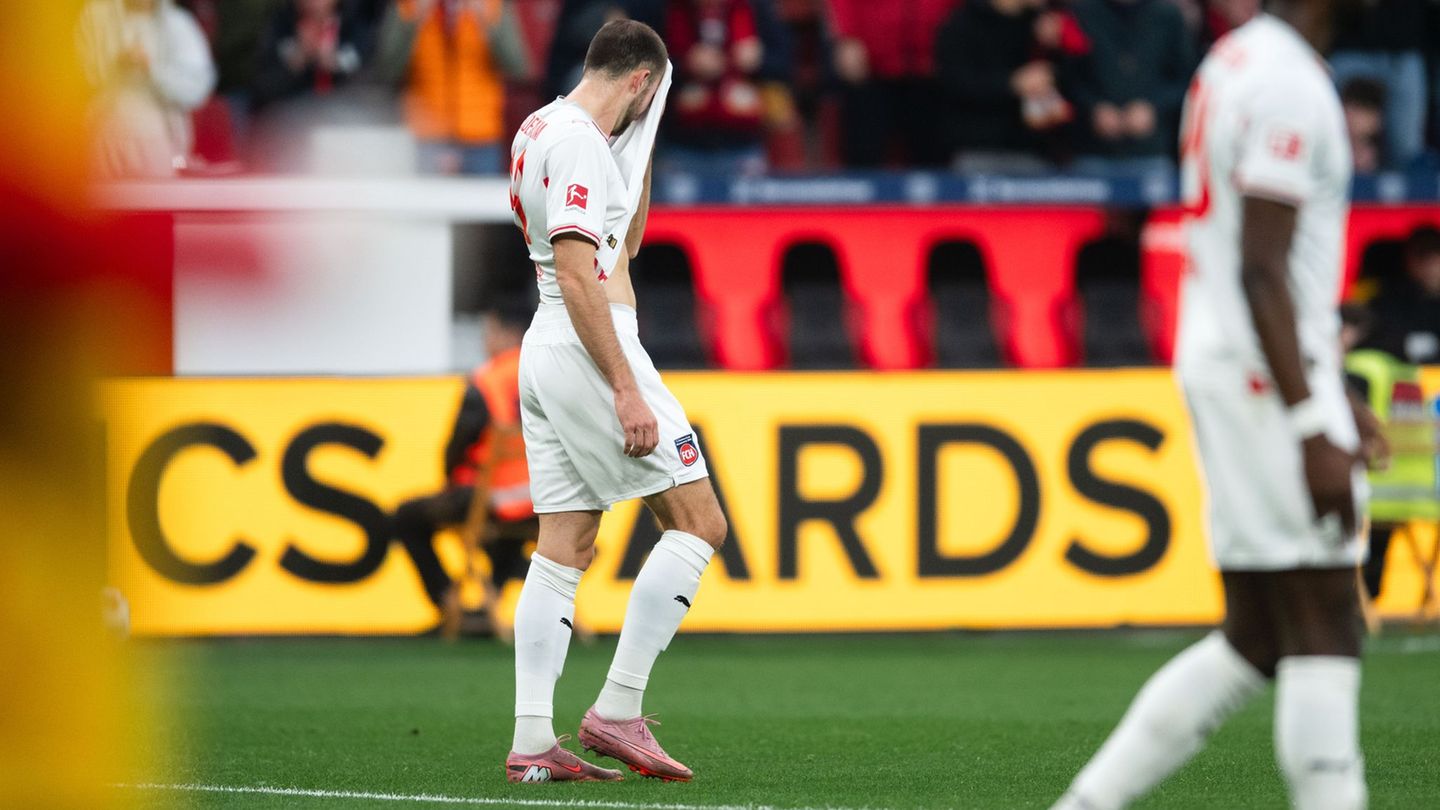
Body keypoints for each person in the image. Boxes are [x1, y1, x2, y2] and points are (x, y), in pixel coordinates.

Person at [1052, 1, 1379, 807]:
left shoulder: (1233, 62)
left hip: (1234, 361)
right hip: (1265, 380)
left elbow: (1258, 259)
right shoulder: (1288, 83)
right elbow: (1261, 267)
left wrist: (1330, 388)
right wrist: (1312, 419)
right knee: (1329, 619)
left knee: (1256, 635)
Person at [503, 19, 727, 784]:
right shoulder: (578, 144)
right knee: (700, 522)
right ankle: (618, 709)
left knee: (564, 544)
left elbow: (621, 243)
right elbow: (580, 272)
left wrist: (644, 141)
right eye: (651, 99)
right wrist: (626, 386)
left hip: (548, 345)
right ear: (640, 82)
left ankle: (533, 740)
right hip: (589, 344)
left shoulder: (543, 127)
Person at [389, 304, 537, 638]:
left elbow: (459, 441)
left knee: (406, 517)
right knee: (504, 538)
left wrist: (450, 478)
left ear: (510, 334)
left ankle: (449, 605)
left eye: (490, 333)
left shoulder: (487, 380)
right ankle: (490, 603)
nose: (485, 341)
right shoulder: (549, 373)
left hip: (492, 497)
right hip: (542, 500)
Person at [374, 0, 531, 175]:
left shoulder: (492, 5)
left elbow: (517, 67)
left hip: (480, 138)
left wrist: (486, 21)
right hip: (425, 137)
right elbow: (387, 70)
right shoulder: (407, 6)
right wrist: (414, 20)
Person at [77, 0, 217, 179]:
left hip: (156, 139)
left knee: (155, 194)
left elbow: (196, 88)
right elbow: (77, 76)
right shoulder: (96, 19)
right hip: (103, 136)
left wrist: (152, 69)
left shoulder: (177, 25)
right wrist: (116, 67)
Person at [934, 0, 1078, 172]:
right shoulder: (963, 23)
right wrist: (1011, 83)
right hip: (978, 151)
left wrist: (1058, 47)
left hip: (1035, 153)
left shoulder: (1044, 23)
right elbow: (955, 83)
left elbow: (1075, 81)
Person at [1065, 0, 1196, 173]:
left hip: (1152, 152)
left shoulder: (1167, 15)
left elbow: (1188, 79)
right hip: (1092, 152)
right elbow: (1067, 78)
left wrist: (1154, 107)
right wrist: (1093, 108)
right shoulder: (1082, 13)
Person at [827, 0, 958, 167]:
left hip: (933, 68)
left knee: (933, 160)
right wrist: (847, 35)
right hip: (871, 68)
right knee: (864, 157)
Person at [1362, 225, 1440, 364]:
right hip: (1403, 373)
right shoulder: (1387, 301)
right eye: (1421, 255)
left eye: (1436, 254)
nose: (1430, 263)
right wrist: (1405, 344)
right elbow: (1370, 338)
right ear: (1407, 260)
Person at [1340, 78, 1386, 174]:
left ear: (1377, 119)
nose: (1351, 115)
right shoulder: (1328, 152)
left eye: (1360, 109)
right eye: (1348, 107)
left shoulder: (1389, 164)